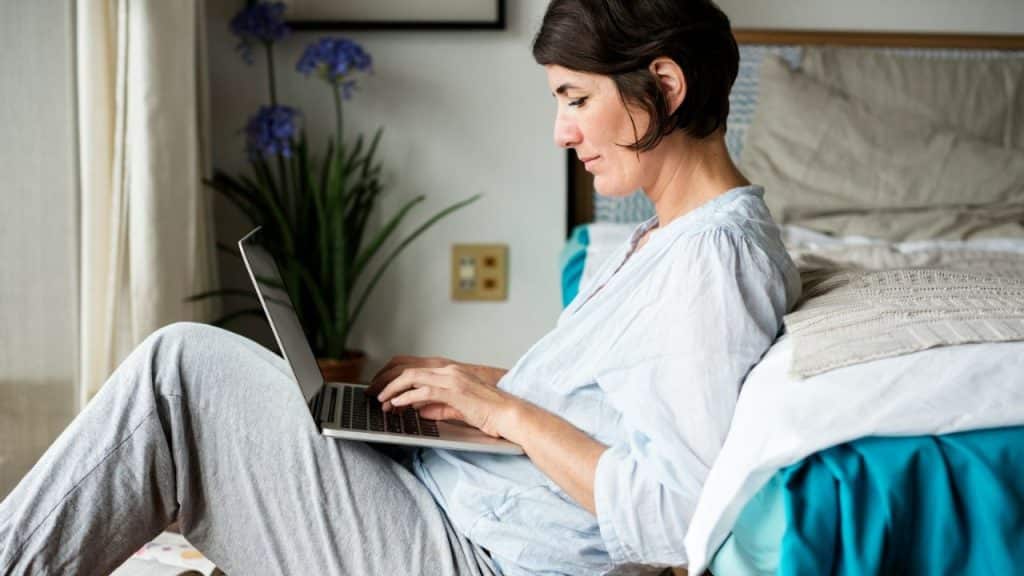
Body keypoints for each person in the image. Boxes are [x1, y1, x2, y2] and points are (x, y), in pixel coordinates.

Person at [0, 0, 800, 574]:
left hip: (473, 552)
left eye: (576, 98)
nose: (561, 131)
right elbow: (617, 408)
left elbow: (679, 511)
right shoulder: (667, 240)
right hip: (452, 499)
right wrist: (473, 385)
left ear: (663, 84)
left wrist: (503, 411)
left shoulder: (713, 263)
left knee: (176, 375)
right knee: (197, 380)